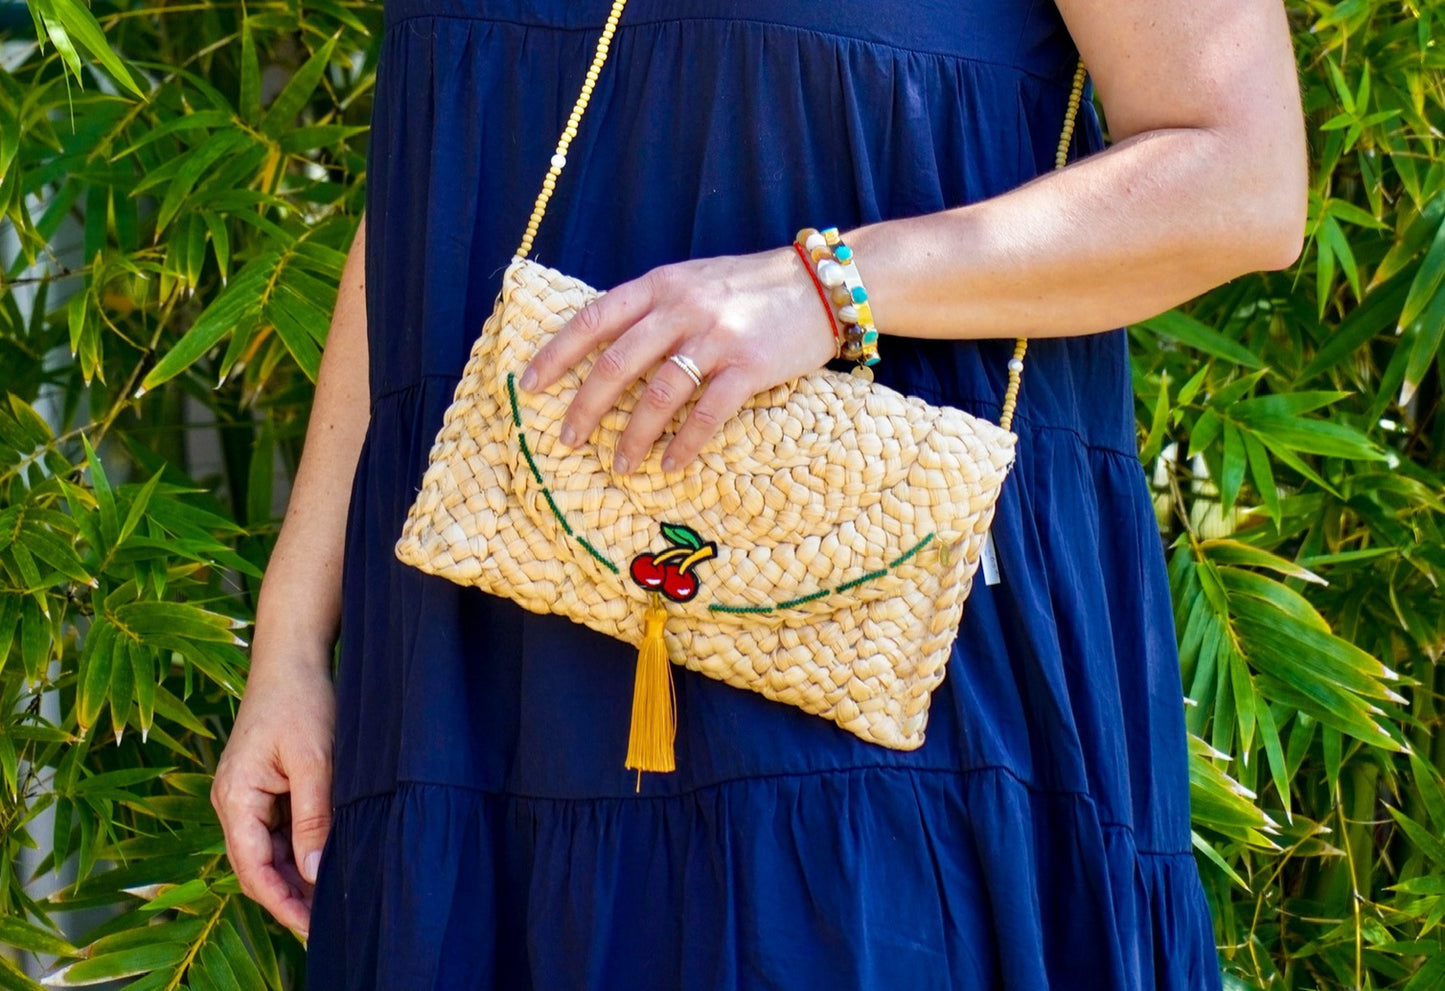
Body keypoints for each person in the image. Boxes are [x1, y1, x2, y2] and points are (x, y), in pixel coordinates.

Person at [211, 0, 1305, 987]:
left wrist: (824, 289)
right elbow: (435, 190)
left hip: (874, 659)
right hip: (469, 671)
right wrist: (293, 636)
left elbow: (1239, 180)